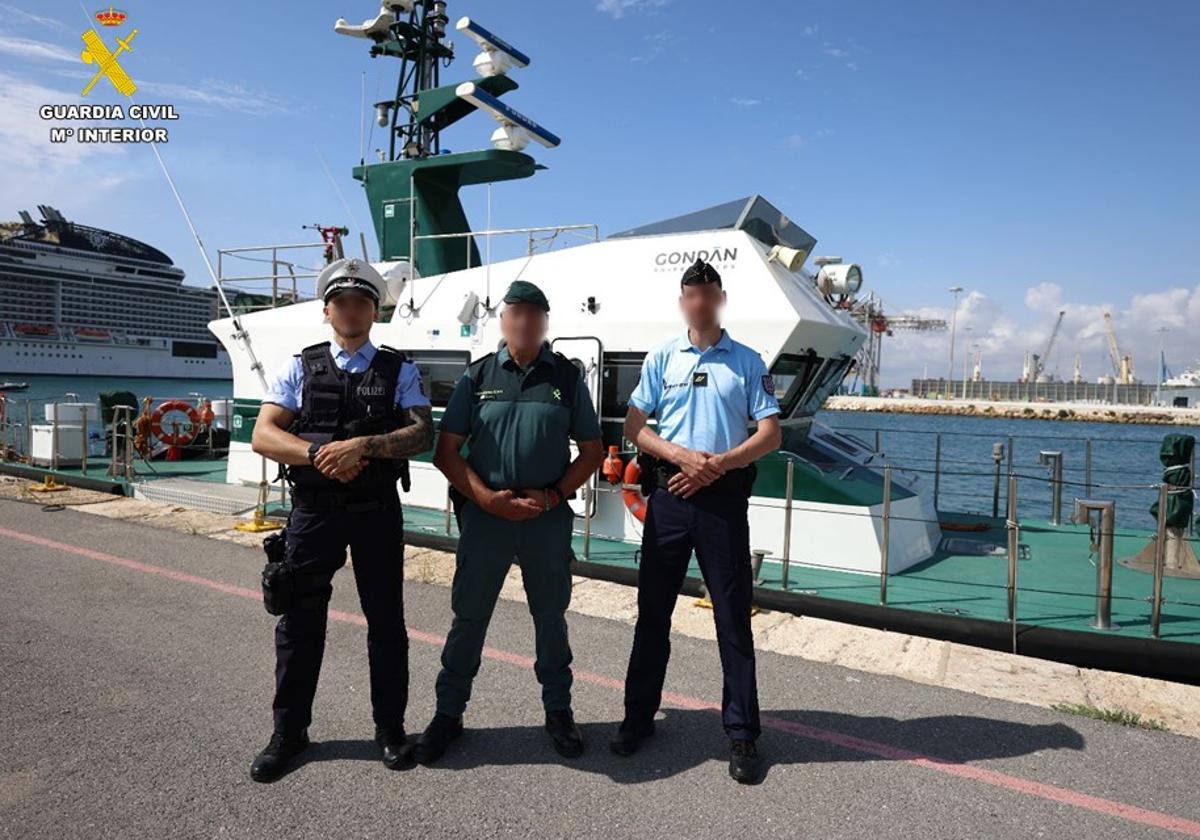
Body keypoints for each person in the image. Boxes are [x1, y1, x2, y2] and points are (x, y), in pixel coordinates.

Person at [248, 257, 434, 782]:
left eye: (362, 302)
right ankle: (289, 732)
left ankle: (390, 730)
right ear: (328, 310)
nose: (351, 310)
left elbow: (421, 433)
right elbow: (265, 434)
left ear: (374, 311)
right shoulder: (299, 367)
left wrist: (365, 447)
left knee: (386, 624)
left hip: (376, 512)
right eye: (342, 302)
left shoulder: (400, 370)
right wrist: (322, 455)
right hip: (313, 514)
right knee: (299, 620)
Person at [415, 280, 606, 764]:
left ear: (545, 323)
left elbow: (592, 451)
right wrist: (485, 498)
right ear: (502, 321)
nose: (523, 322)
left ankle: (559, 711)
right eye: (514, 313)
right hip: (486, 518)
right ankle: (448, 714)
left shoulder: (565, 378)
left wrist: (557, 493)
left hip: (545, 518)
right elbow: (446, 451)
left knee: (551, 619)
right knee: (469, 617)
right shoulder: (476, 378)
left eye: (533, 315)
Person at [611, 258, 782, 785]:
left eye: (708, 293)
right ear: (683, 300)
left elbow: (770, 434)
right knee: (652, 614)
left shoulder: (748, 361)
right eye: (692, 294)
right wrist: (682, 457)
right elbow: (635, 426)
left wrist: (716, 466)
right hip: (670, 499)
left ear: (719, 298)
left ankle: (742, 733)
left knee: (732, 619)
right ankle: (638, 718)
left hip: (722, 502)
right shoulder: (663, 357)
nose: (700, 302)